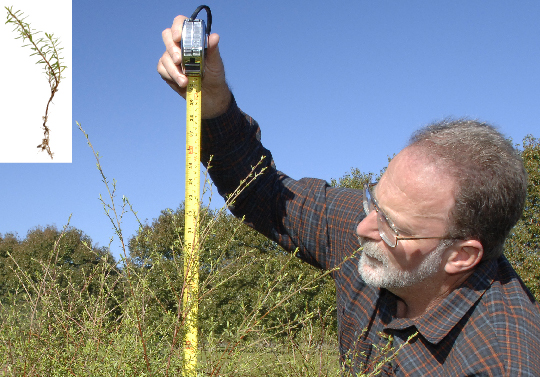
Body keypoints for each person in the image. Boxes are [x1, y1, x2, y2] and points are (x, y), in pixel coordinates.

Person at [158, 15, 540, 376]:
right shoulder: (371, 235)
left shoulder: (502, 359)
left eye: (391, 225)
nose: (363, 228)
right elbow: (262, 192)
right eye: (372, 200)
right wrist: (211, 101)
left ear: (461, 255)